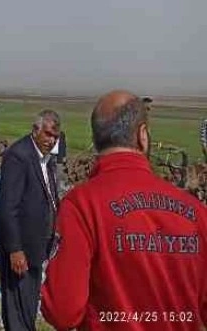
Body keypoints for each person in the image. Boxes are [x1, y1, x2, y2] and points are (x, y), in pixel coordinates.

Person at [41, 90, 207, 330]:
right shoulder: (196, 212)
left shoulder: (81, 205)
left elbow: (62, 312)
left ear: (96, 139)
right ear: (142, 135)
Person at [0, 109, 61, 331]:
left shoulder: (46, 159)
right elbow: (7, 206)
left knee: (29, 302)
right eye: (48, 134)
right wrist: (14, 249)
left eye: (55, 137)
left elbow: (49, 196)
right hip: (19, 246)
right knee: (17, 303)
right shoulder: (19, 156)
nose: (51, 141)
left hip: (37, 244)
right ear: (35, 130)